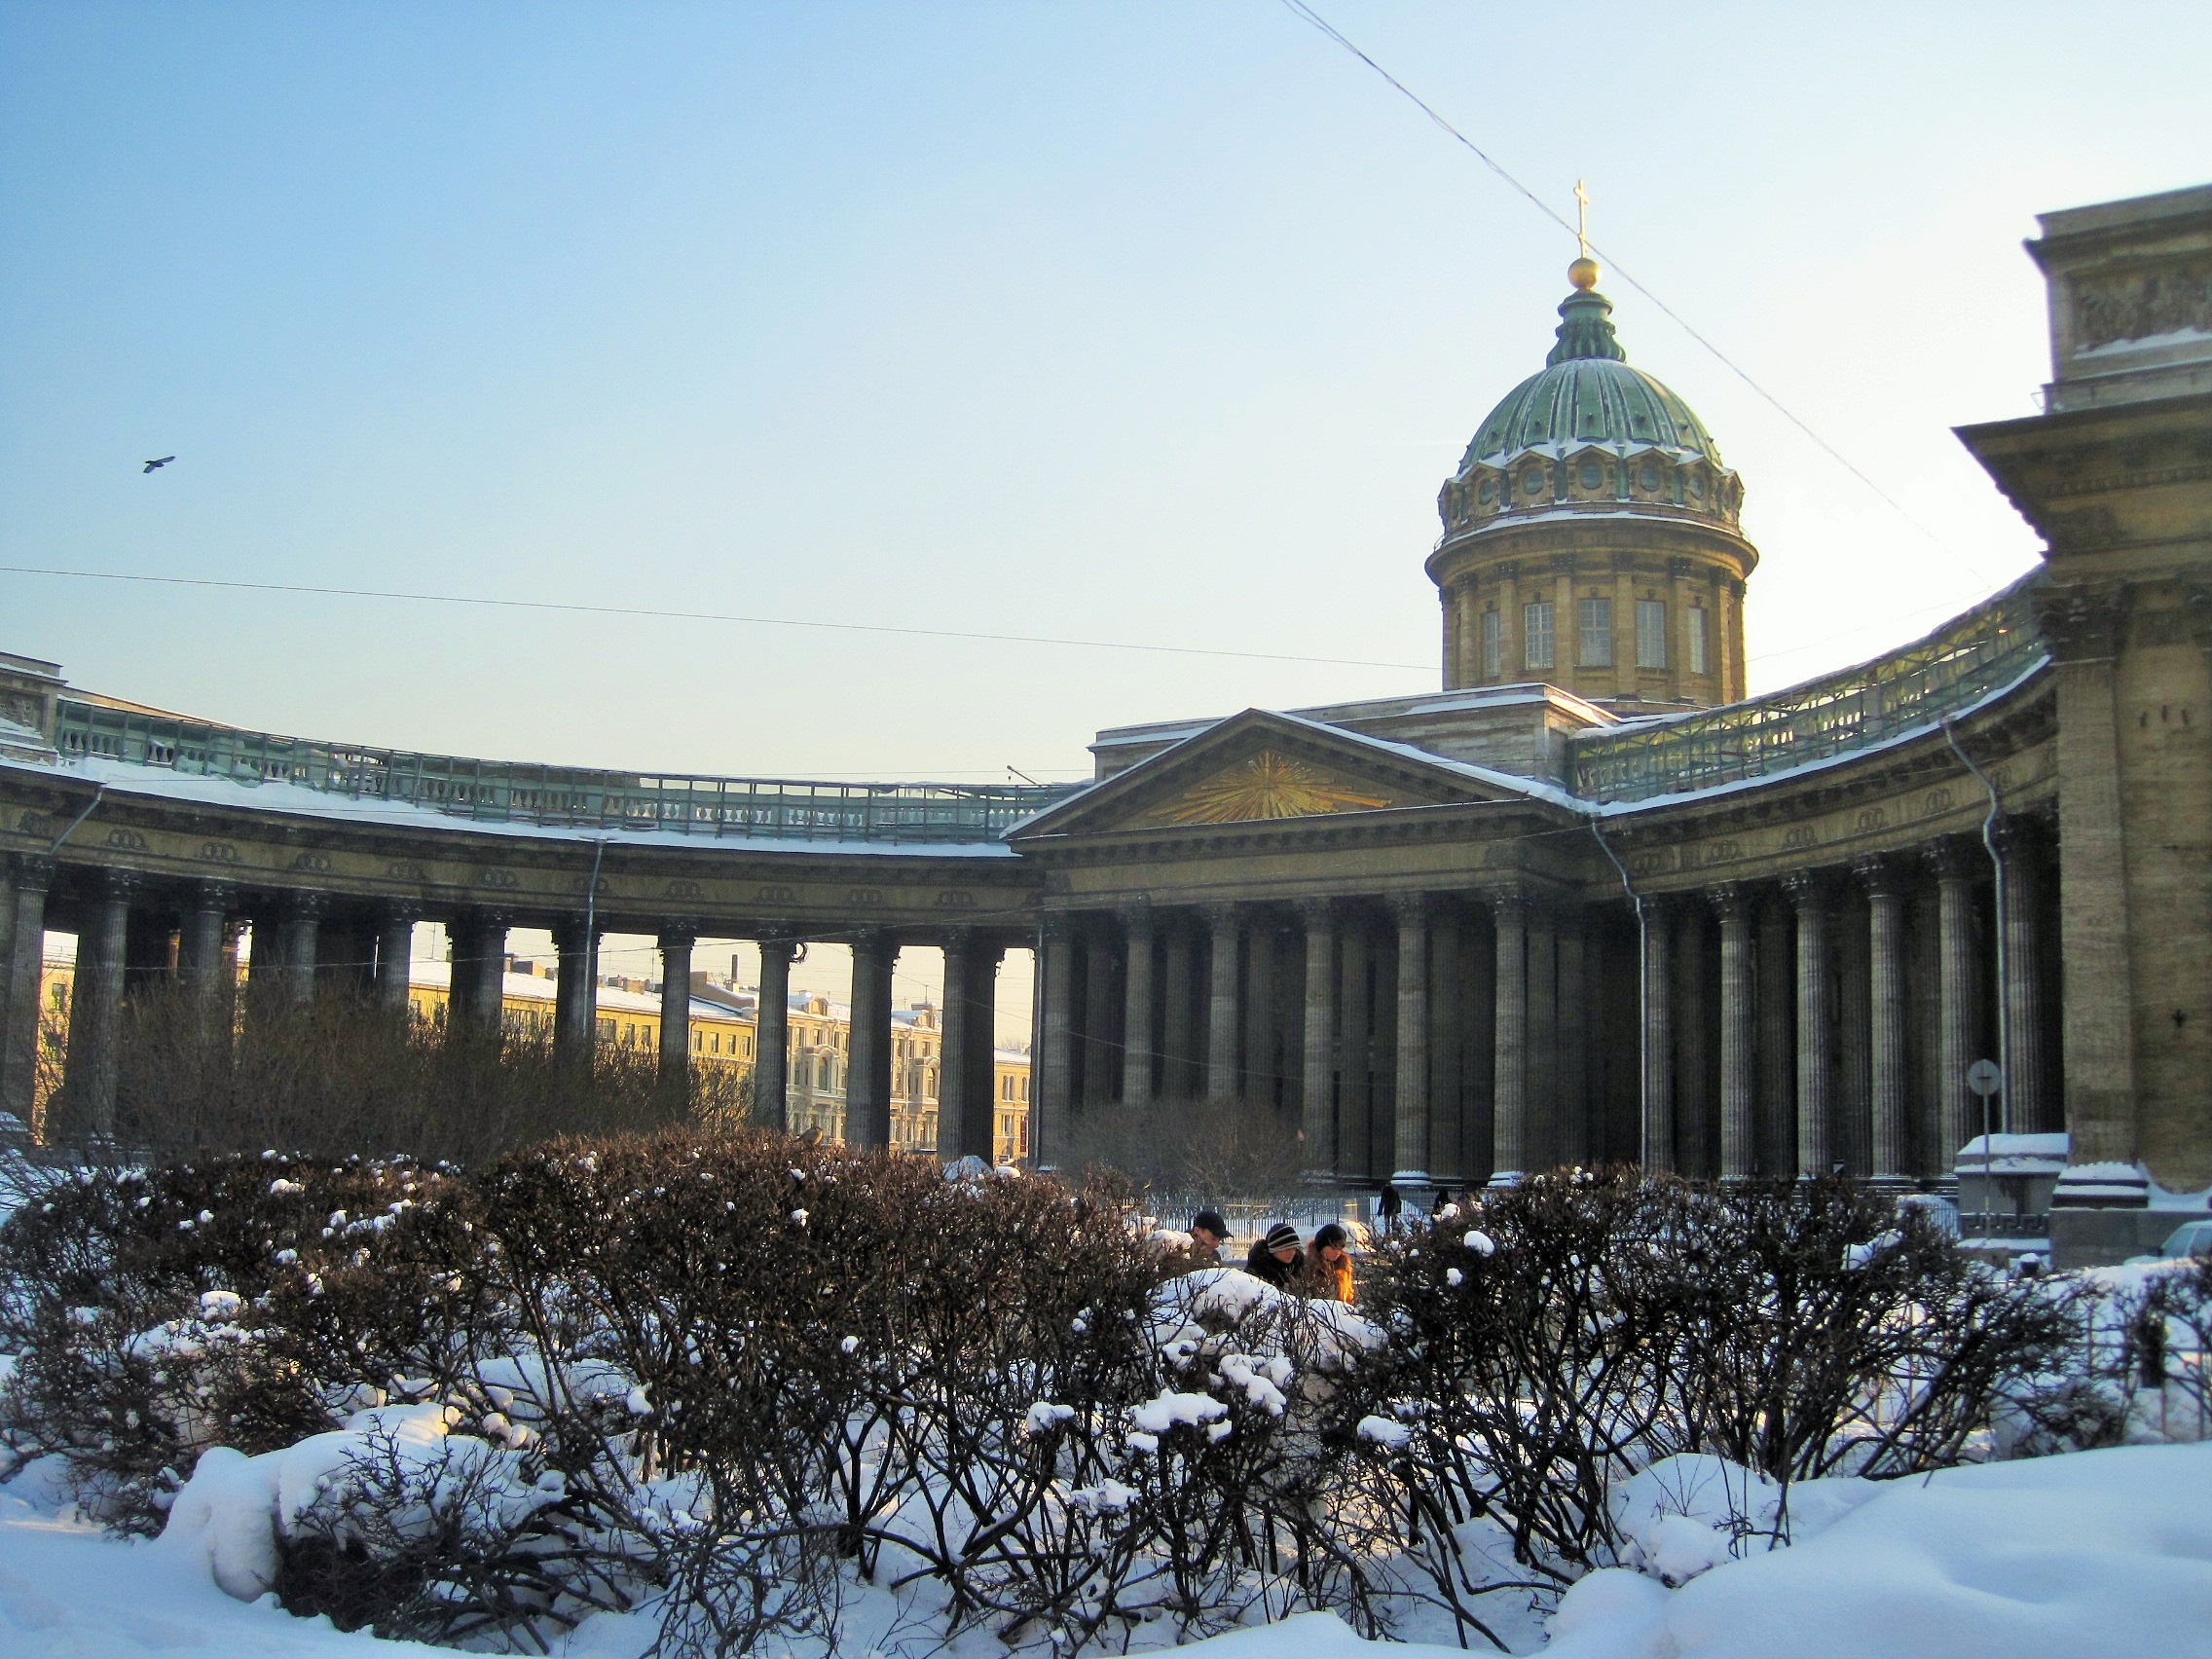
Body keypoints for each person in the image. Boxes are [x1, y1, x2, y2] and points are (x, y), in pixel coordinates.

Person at [1243, 1221, 1304, 1290]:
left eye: (1294, 1248)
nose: (1291, 1252)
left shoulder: (1301, 1268)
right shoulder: (1256, 1272)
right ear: (1273, 1250)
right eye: (1286, 1249)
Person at [1306, 1223, 1354, 1303]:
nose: (1337, 1252)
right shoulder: (1309, 1266)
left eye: (1340, 1248)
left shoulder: (1343, 1268)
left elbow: (1349, 1297)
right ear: (1322, 1246)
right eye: (1333, 1247)